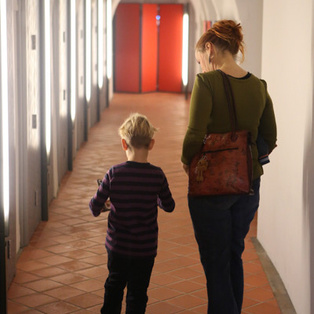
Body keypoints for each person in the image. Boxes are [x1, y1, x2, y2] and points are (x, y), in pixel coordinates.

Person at [181, 20, 277, 314]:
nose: (201, 67)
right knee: (233, 252)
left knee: (214, 259)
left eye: (200, 60)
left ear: (210, 49)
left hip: (212, 183)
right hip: (249, 183)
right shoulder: (259, 86)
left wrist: (187, 161)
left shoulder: (206, 83)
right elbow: (270, 137)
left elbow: (195, 134)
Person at [89, 113, 175, 314]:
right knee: (138, 293)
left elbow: (94, 207)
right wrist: (153, 197)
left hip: (117, 246)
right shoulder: (157, 175)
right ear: (151, 144)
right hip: (145, 250)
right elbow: (169, 205)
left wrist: (107, 205)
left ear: (123, 144)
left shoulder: (114, 173)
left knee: (114, 286)